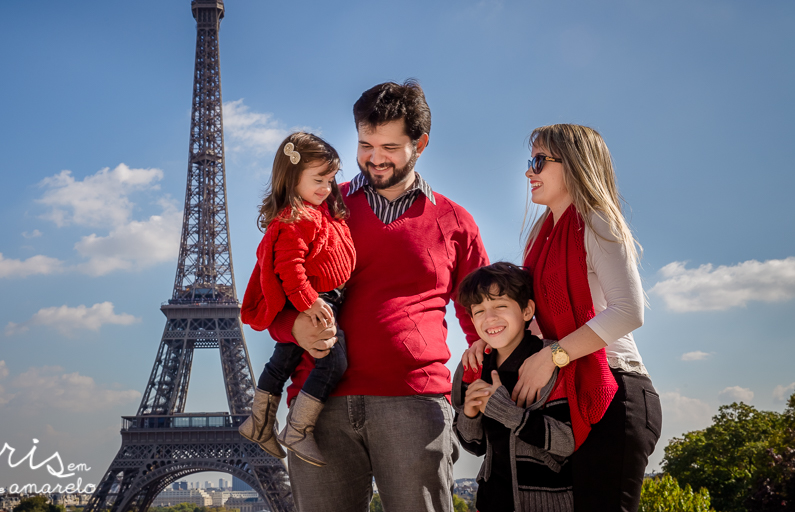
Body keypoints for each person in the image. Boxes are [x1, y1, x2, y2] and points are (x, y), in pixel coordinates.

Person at [265, 80, 489, 512]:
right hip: (318, 406)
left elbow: (481, 317)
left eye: (389, 146)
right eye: (365, 144)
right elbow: (269, 292)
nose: (374, 157)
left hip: (414, 404)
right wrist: (291, 325)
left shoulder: (457, 222)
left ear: (420, 143)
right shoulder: (320, 208)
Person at [466, 124, 662, 511]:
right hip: (570, 389)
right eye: (530, 161)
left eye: (539, 161)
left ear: (573, 164)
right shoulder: (541, 234)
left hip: (616, 389)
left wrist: (552, 356)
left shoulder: (597, 222)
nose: (528, 172)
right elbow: (535, 318)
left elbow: (628, 311)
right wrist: (489, 339)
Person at [239, 132, 356, 467]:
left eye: (332, 180)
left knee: (283, 361)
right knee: (333, 360)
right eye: (319, 180)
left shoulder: (320, 213)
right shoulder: (296, 219)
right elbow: (288, 267)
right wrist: (309, 303)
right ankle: (298, 429)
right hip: (315, 300)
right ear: (291, 180)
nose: (327, 188)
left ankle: (257, 423)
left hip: (317, 298)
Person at [453, 262, 574, 512]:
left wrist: (504, 410)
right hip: (491, 501)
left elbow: (567, 443)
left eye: (500, 306)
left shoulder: (548, 361)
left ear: (527, 310)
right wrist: (469, 414)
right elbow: (473, 446)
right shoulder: (472, 367)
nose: (490, 318)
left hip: (548, 503)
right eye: (479, 311)